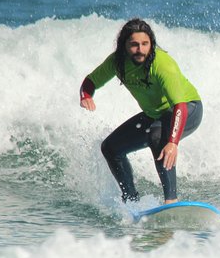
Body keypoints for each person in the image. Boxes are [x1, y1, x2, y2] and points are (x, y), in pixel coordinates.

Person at [79, 18, 202, 205]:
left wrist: (173, 142)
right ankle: (130, 199)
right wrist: (86, 96)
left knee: (157, 136)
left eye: (145, 44)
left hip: (188, 109)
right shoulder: (117, 62)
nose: (140, 49)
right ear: (124, 46)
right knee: (111, 148)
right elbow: (91, 81)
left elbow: (180, 107)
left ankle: (171, 200)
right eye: (134, 45)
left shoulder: (162, 64)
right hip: (155, 115)